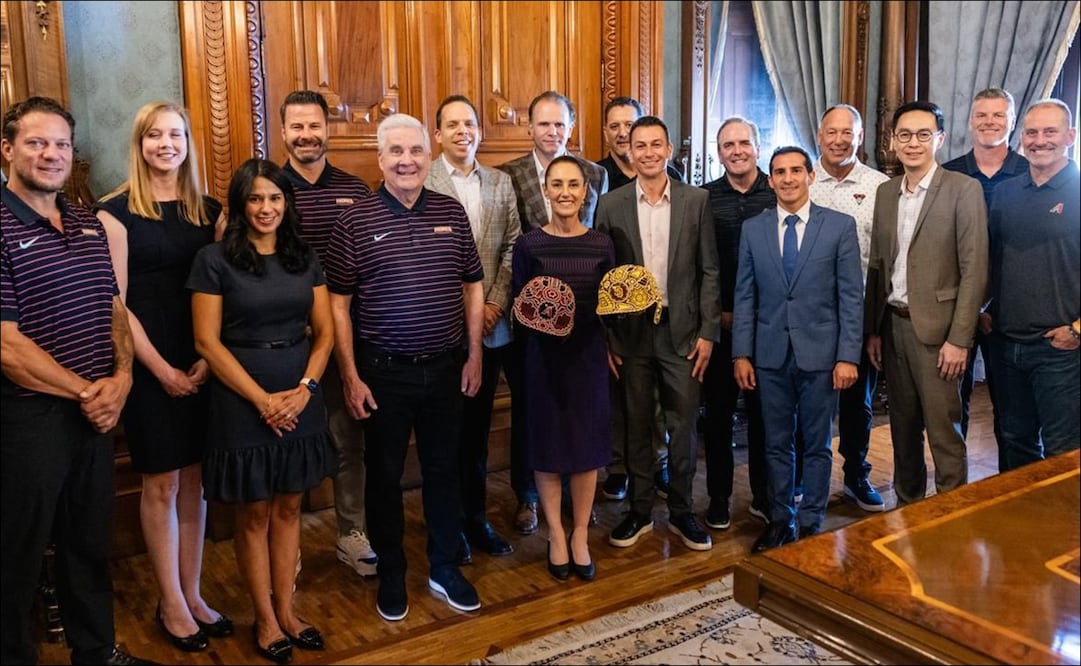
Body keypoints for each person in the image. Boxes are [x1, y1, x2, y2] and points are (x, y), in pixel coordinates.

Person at [1, 96, 154, 666]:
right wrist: (89, 392)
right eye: (37, 142)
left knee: (88, 544)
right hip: (28, 418)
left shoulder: (89, 222)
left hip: (95, 414)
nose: (52, 154)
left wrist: (123, 377)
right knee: (15, 556)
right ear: (7, 149)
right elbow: (7, 345)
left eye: (62, 144)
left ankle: (96, 652)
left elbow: (113, 308)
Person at [325, 113, 485, 622]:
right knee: (384, 476)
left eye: (415, 150)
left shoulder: (451, 211)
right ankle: (392, 572)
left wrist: (475, 354)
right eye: (395, 151)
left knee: (443, 470)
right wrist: (350, 375)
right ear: (380, 159)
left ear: (427, 155)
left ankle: (444, 566)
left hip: (446, 369)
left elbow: (473, 285)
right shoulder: (354, 221)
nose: (407, 160)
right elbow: (337, 305)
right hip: (382, 374)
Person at [189, 159, 336, 664]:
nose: (266, 208)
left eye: (275, 198)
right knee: (253, 512)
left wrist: (305, 390)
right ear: (240, 204)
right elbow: (206, 342)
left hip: (299, 394)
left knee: (290, 507)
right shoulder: (213, 260)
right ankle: (265, 618)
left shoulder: (304, 256)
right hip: (241, 400)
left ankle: (288, 610)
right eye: (255, 198)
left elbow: (325, 334)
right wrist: (262, 400)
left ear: (286, 203)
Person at [96, 101, 229, 653]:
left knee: (195, 481)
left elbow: (223, 291)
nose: (166, 144)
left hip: (203, 359)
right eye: (155, 135)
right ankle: (169, 602)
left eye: (176, 134)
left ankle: (192, 593)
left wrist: (208, 359)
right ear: (140, 143)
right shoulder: (114, 213)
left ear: (188, 143)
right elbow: (117, 306)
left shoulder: (210, 211)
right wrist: (161, 370)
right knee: (163, 483)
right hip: (149, 365)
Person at [597, 116, 720, 552]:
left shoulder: (696, 200)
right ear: (629, 152)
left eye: (656, 144)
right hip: (631, 335)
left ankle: (683, 511)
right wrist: (608, 337)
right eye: (640, 145)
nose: (648, 153)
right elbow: (604, 276)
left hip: (682, 333)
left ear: (669, 150)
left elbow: (709, 270)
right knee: (636, 423)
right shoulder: (610, 204)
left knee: (683, 425)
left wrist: (708, 332)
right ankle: (640, 510)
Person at [733, 146, 864, 551]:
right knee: (775, 443)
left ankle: (811, 522)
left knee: (818, 443)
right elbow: (744, 296)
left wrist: (847, 356)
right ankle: (780, 520)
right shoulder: (753, 229)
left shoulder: (839, 227)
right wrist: (741, 353)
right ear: (770, 180)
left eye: (795, 171)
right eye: (779, 172)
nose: (787, 178)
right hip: (769, 355)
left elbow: (851, 298)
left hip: (821, 356)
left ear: (810, 176)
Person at [865, 101, 988, 506]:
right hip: (893, 328)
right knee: (902, 429)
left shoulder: (963, 190)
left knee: (943, 432)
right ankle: (908, 509)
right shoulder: (886, 192)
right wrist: (873, 331)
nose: (913, 143)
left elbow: (974, 270)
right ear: (893, 141)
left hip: (940, 335)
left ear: (940, 138)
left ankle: (951, 514)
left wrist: (960, 339)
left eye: (923, 134)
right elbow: (879, 267)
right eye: (904, 135)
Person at [497, 90, 608, 535]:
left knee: (581, 419)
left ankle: (577, 504)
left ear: (571, 128)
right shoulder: (509, 175)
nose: (552, 131)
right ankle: (528, 497)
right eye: (544, 123)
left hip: (586, 321)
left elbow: (599, 238)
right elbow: (511, 242)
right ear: (529, 128)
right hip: (535, 318)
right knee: (533, 414)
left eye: (560, 124)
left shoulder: (595, 174)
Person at [277, 90, 378, 578]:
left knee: (349, 440)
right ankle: (286, 547)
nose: (306, 135)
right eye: (296, 127)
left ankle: (352, 532)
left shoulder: (356, 191)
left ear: (327, 129)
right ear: (283, 132)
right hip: (285, 341)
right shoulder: (269, 188)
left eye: (314, 125)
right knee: (285, 443)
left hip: (343, 338)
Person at [425, 95, 520, 563]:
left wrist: (494, 303)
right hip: (441, 330)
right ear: (437, 134)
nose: (463, 131)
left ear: (480, 131)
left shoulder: (501, 182)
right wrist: (463, 313)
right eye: (452, 124)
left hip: (492, 329)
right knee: (444, 437)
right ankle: (447, 526)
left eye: (469, 123)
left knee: (478, 434)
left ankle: (476, 519)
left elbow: (513, 246)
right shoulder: (422, 180)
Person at [512, 155, 615, 581]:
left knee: (586, 451)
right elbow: (520, 307)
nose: (565, 192)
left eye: (573, 184)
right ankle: (555, 534)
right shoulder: (528, 245)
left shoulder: (602, 244)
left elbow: (611, 305)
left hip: (589, 359)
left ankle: (580, 535)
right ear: (545, 190)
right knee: (548, 449)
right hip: (544, 361)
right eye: (557, 184)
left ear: (586, 191)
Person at [984, 98, 1079, 470]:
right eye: (1032, 132)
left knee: (1064, 453)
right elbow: (992, 258)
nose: (1040, 141)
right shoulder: (1005, 193)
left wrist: (1077, 330)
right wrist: (984, 309)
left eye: (1050, 131)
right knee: (1014, 444)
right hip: (1006, 345)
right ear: (1021, 138)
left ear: (1070, 136)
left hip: (1061, 350)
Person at [807, 104, 890, 512]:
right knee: (809, 403)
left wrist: (875, 326)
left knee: (858, 403)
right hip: (809, 316)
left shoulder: (880, 187)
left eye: (847, 133)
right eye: (831, 132)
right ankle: (807, 479)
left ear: (860, 137)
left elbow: (885, 259)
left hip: (857, 315)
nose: (839, 140)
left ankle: (856, 473)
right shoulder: (802, 180)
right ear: (819, 136)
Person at [596, 95, 673, 504]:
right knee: (620, 395)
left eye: (631, 125)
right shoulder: (597, 178)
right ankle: (619, 467)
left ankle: (659, 462)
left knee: (657, 398)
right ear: (606, 132)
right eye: (616, 126)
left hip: (665, 310)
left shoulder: (672, 178)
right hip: (621, 312)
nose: (624, 133)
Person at [700, 116, 775, 530]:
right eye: (728, 145)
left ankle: (764, 496)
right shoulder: (703, 199)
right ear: (719, 153)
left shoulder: (778, 191)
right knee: (717, 417)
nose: (737, 151)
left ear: (758, 148)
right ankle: (718, 498)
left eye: (744, 143)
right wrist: (717, 315)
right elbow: (698, 263)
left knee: (766, 416)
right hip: (721, 324)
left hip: (768, 326)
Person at [942, 88, 1029, 444]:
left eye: (998, 115)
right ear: (970, 121)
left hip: (1012, 312)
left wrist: (990, 305)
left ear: (1012, 122)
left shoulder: (1030, 172)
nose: (989, 122)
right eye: (981, 115)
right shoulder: (948, 174)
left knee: (1013, 416)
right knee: (952, 408)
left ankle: (1013, 478)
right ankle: (956, 479)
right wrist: (972, 307)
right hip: (958, 309)